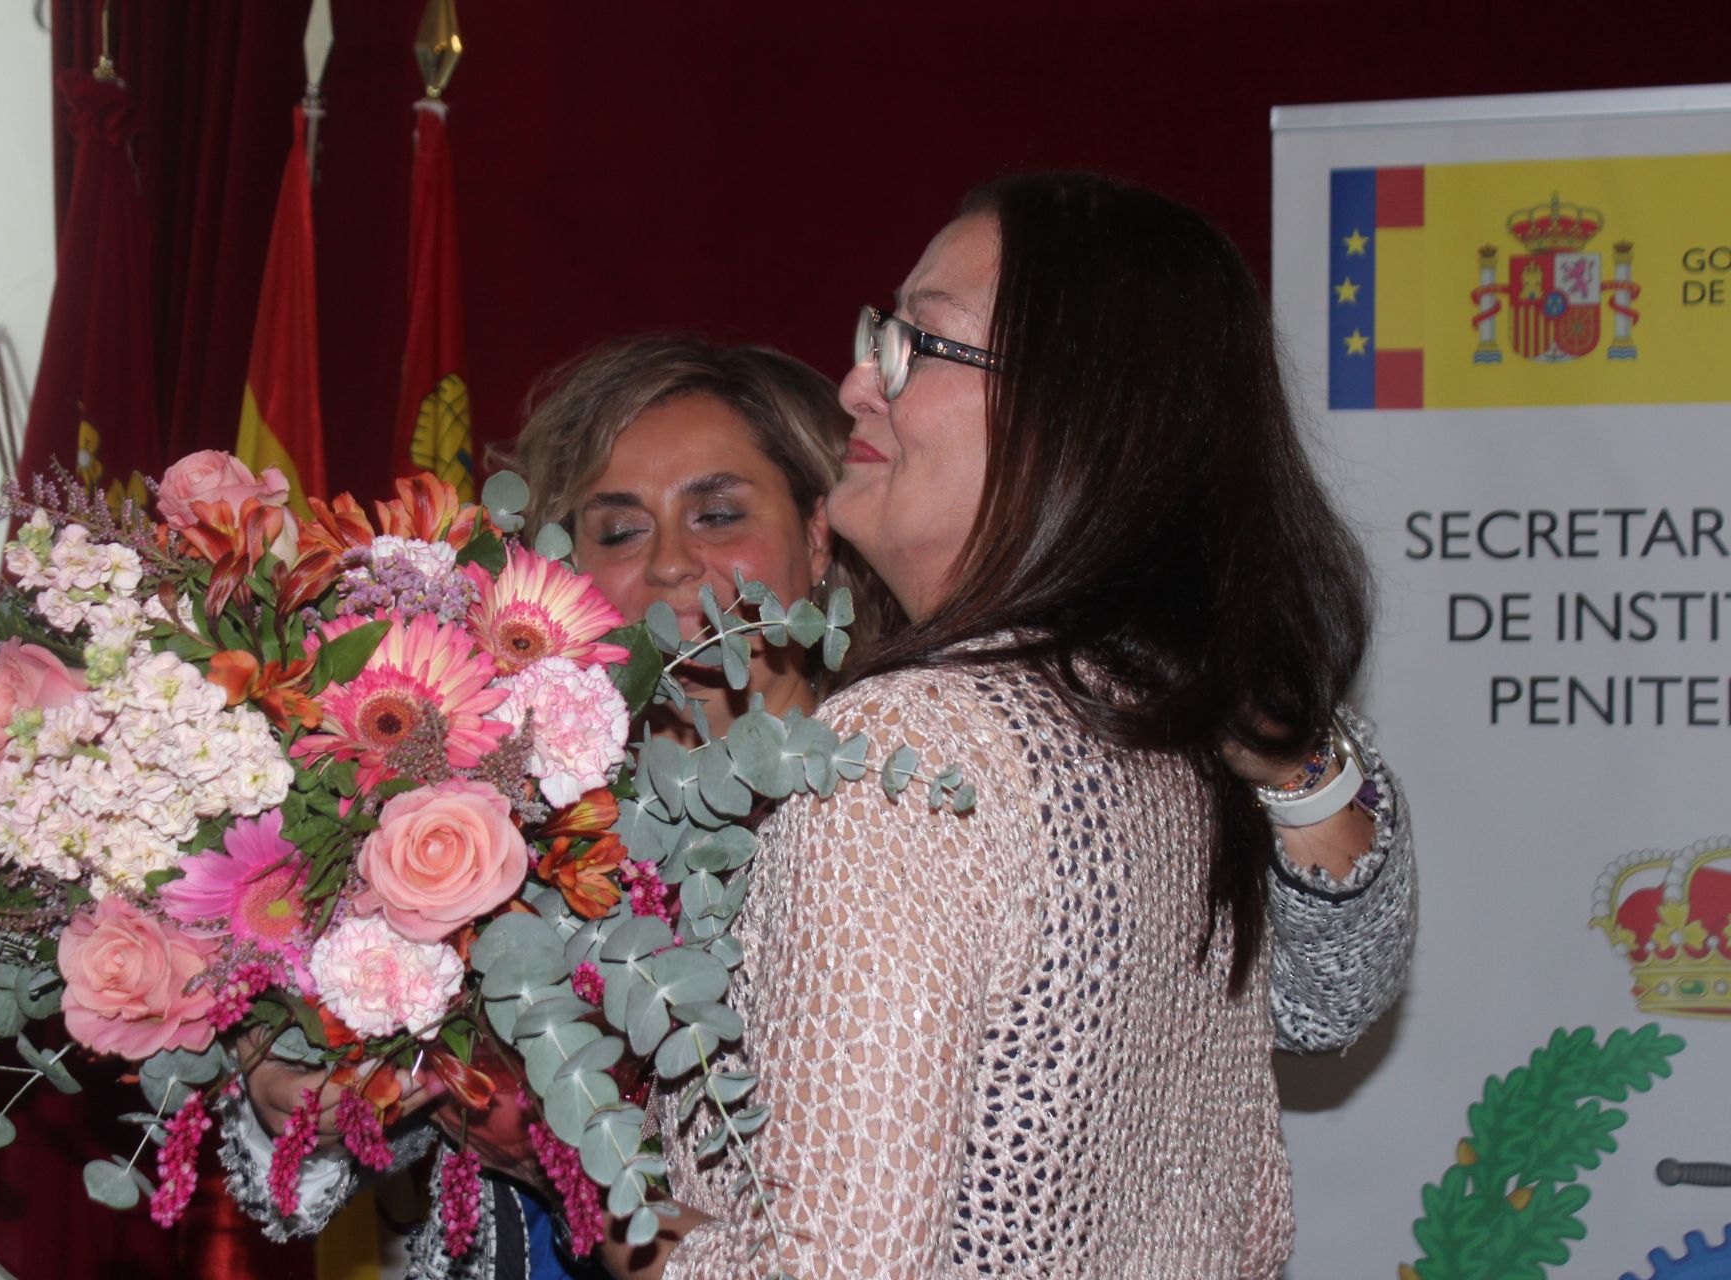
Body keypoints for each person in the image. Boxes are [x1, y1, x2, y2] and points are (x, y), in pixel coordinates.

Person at [234, 303, 1413, 1275]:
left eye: (718, 510)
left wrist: (1303, 767)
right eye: (615, 526)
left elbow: (1325, 1002)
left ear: (819, 536)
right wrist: (295, 1086)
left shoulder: (931, 769)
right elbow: (292, 1192)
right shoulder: (468, 810)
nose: (671, 563)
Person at [588, 174, 1408, 1279]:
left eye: (919, 345)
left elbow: (833, 1267)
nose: (854, 387)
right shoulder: (1136, 718)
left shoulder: (901, 755)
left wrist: (625, 1221)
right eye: (881, 334)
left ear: (1075, 411)